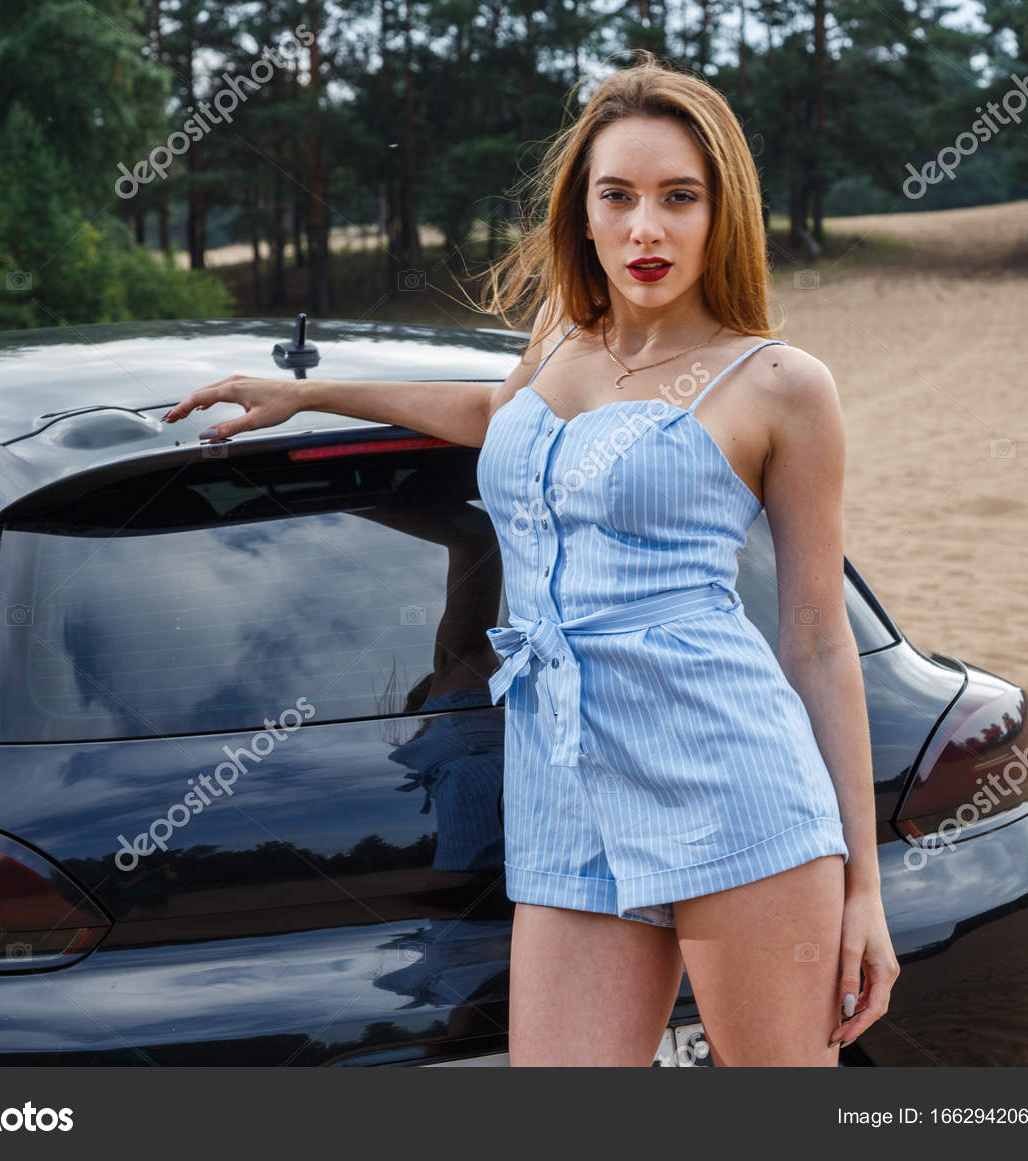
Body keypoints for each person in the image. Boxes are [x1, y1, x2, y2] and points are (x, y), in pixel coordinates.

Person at [161, 49, 898, 1067]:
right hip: (561, 784)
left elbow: (816, 638)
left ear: (720, 213)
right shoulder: (561, 339)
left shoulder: (777, 383)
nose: (647, 228)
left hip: (732, 786)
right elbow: (495, 416)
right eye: (620, 196)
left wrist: (863, 886)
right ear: (582, 213)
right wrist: (313, 392)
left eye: (678, 198)